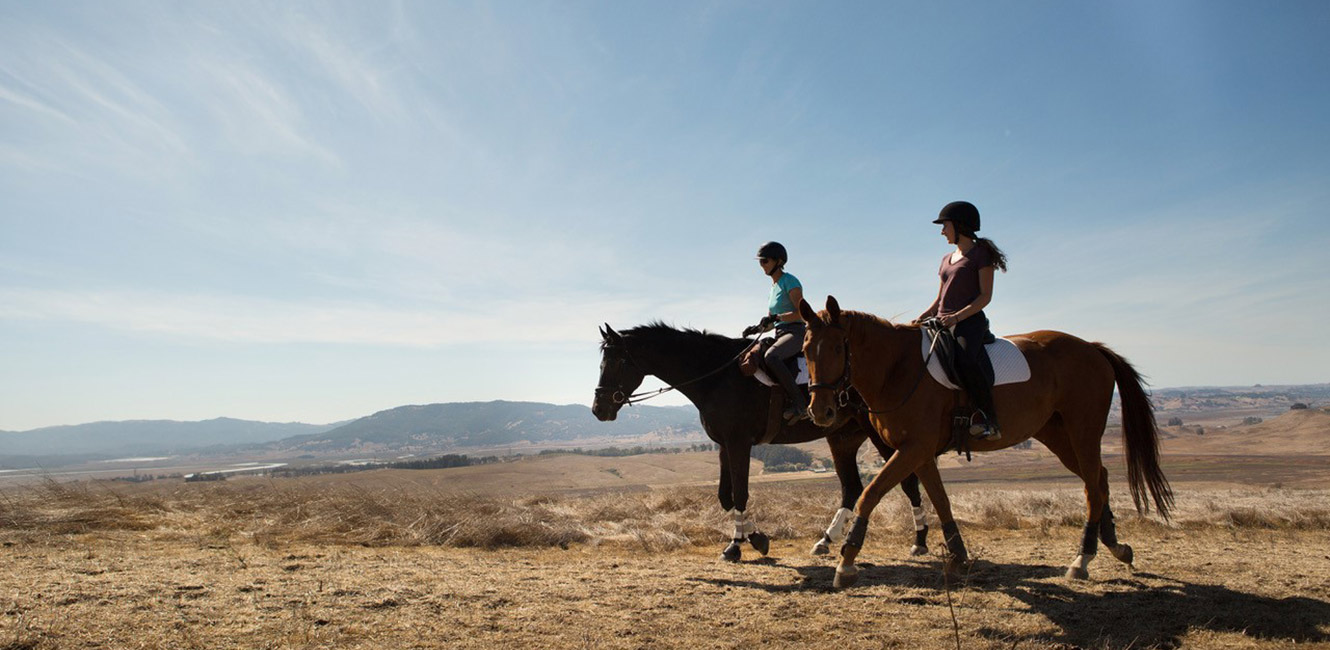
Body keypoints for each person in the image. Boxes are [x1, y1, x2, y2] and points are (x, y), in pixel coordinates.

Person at [914, 201, 1009, 440]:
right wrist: (921, 318)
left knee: (966, 360)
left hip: (969, 323)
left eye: (945, 225)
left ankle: (989, 419)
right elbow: (939, 299)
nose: (942, 231)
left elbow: (985, 297)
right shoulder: (946, 258)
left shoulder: (980, 254)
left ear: (959, 225)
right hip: (941, 322)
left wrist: (956, 317)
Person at [743, 241, 808, 422]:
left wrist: (777, 318)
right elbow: (772, 322)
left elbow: (802, 313)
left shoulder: (790, 281)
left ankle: (800, 405)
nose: (761, 265)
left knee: (771, 356)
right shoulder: (773, 288)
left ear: (778, 261)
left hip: (796, 332)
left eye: (764, 261)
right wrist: (757, 328)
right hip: (780, 333)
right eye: (760, 261)